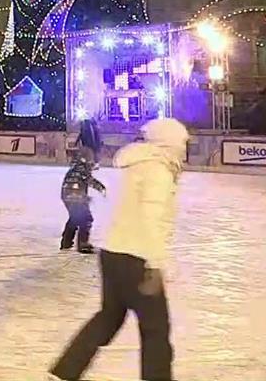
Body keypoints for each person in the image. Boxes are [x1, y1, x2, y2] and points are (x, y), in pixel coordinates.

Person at [50, 118, 188, 381]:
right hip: (137, 258)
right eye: (182, 143)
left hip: (112, 253)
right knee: (156, 329)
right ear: (170, 143)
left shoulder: (133, 165)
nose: (184, 149)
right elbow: (152, 217)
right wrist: (155, 263)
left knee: (108, 319)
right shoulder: (158, 170)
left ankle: (63, 372)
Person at [60, 143, 107, 253]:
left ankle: (66, 242)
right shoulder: (82, 169)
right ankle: (83, 244)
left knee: (74, 218)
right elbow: (89, 180)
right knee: (86, 219)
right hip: (76, 196)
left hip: (67, 196)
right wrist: (101, 188)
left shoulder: (74, 168)